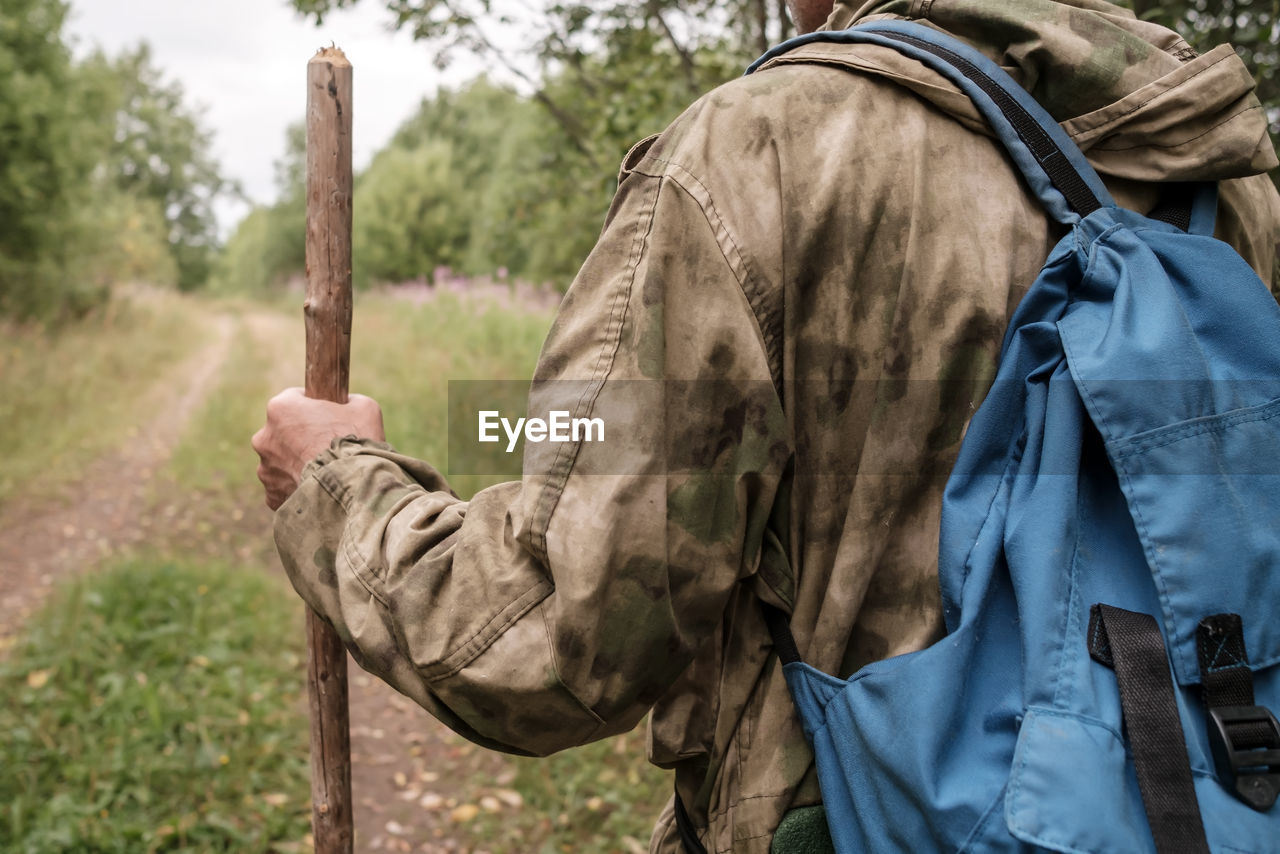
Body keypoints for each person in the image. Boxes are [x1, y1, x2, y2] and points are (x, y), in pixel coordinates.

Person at [252, 1, 1280, 851]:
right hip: (1188, 799)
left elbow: (554, 637)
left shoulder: (765, 151)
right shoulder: (1224, 170)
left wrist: (337, 485)